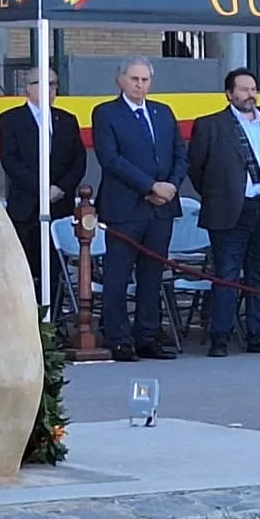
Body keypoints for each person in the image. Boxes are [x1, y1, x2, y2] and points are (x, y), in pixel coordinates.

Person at [186, 68, 260, 357]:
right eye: (243, 89)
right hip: (230, 210)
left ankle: (258, 335)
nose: (250, 95)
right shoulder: (211, 125)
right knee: (227, 274)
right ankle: (221, 336)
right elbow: (197, 168)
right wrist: (218, 195)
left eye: (254, 89)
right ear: (229, 94)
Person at [91, 55, 186, 363]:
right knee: (118, 276)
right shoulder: (106, 113)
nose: (140, 85)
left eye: (145, 80)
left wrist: (170, 185)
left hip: (162, 209)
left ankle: (148, 336)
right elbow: (111, 158)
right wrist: (149, 186)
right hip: (124, 207)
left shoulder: (163, 112)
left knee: (152, 275)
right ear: (120, 80)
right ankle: (118, 337)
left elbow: (179, 154)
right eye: (134, 79)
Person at [0, 64, 84, 309]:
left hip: (59, 207)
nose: (50, 89)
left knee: (55, 271)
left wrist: (61, 188)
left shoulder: (66, 120)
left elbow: (78, 160)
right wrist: (42, 189)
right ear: (28, 88)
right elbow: (11, 161)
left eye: (54, 84)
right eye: (44, 84)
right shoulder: (11, 119)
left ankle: (53, 324)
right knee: (27, 270)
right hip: (27, 208)